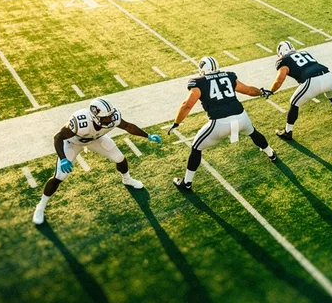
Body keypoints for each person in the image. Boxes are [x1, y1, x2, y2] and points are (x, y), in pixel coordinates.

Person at [32, 98, 161, 224]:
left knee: (120, 158)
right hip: (73, 143)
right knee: (60, 176)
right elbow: (58, 136)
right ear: (95, 116)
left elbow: (127, 126)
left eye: (110, 116)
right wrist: (63, 158)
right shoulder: (80, 121)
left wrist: (148, 135)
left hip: (96, 139)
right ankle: (41, 205)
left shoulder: (113, 117)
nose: (110, 119)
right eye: (106, 118)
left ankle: (127, 179)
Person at [168, 57, 277, 191]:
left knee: (196, 147)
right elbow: (248, 90)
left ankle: (187, 183)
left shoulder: (198, 82)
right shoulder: (229, 76)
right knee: (252, 132)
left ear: (202, 69)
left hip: (219, 122)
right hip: (241, 117)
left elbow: (187, 105)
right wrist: (261, 92)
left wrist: (176, 122)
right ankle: (271, 154)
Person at [268, 41, 332, 140]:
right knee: (331, 96)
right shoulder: (304, 53)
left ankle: (288, 131)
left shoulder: (283, 61)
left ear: (280, 53)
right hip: (328, 76)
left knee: (294, 103)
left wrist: (270, 91)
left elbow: (279, 80)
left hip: (312, 81)